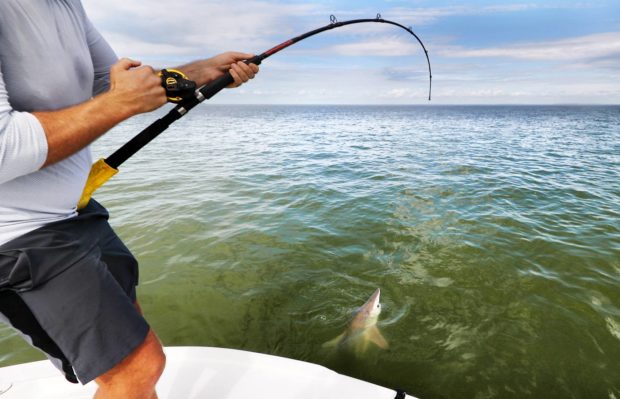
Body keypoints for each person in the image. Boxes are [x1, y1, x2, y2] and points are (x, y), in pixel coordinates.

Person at [0, 1, 259, 398]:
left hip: (75, 212)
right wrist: (120, 104)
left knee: (131, 346)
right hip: (19, 234)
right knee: (137, 368)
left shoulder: (66, 4)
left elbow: (112, 83)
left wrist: (202, 72)